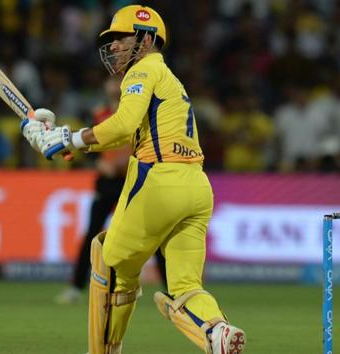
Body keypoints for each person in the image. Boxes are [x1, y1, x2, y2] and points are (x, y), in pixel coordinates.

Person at [21, 5, 245, 354]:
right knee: (184, 285)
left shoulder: (143, 71)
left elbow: (123, 125)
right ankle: (217, 332)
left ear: (147, 39)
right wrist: (64, 138)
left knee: (107, 261)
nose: (113, 47)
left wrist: (70, 139)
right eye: (111, 41)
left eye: (121, 38)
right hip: (197, 188)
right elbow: (121, 131)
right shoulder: (168, 77)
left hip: (159, 180)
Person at [55, 76, 168, 305]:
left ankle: (174, 291)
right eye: (112, 82)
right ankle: (75, 287)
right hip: (107, 183)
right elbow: (84, 146)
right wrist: (97, 163)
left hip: (135, 181)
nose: (115, 86)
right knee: (92, 235)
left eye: (119, 82)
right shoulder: (98, 114)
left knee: (154, 236)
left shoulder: (138, 112)